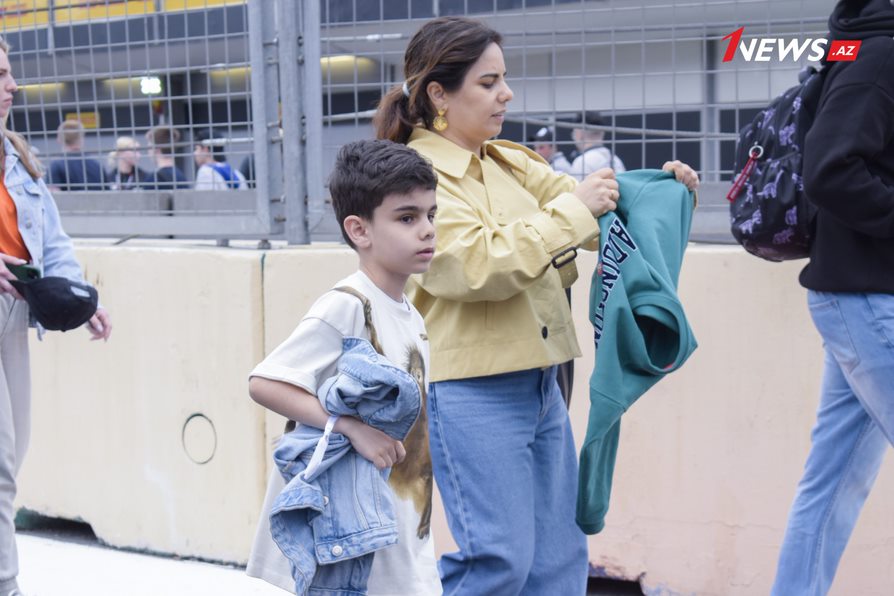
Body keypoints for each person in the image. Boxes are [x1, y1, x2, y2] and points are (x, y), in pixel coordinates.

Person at [374, 16, 698, 594]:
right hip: (471, 389)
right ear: (439, 95)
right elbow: (473, 265)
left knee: (558, 560)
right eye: (489, 82)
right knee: (498, 561)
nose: (507, 94)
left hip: (541, 381)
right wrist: (576, 210)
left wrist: (661, 190)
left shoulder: (507, 161)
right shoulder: (416, 177)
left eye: (504, 79)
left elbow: (600, 214)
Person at [246, 139, 441, 595]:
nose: (428, 230)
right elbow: (265, 382)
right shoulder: (349, 306)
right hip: (357, 535)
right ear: (359, 229)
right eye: (407, 218)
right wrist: (351, 428)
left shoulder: (411, 314)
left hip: (402, 526)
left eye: (431, 215)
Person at [771, 1, 894, 594]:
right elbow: (830, 168)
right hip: (868, 297)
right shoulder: (881, 54)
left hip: (858, 296)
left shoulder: (863, 45)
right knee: (833, 486)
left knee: (834, 485)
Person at [0, 36, 112, 596]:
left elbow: (53, 237)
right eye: (0, 75)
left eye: (9, 72)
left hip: (15, 313)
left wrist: (82, 297)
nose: (13, 84)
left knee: (13, 456)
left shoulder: (17, 154)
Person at [47, 120, 106, 191]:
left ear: (59, 139)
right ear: (81, 139)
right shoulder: (96, 165)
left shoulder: (56, 166)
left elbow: (53, 193)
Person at [568, 110, 626, 181]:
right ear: (602, 133)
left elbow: (577, 188)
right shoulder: (616, 160)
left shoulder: (581, 162)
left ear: (579, 133)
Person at [144, 126, 188, 191]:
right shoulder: (181, 176)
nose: (148, 152)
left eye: (149, 147)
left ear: (156, 149)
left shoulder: (153, 179)